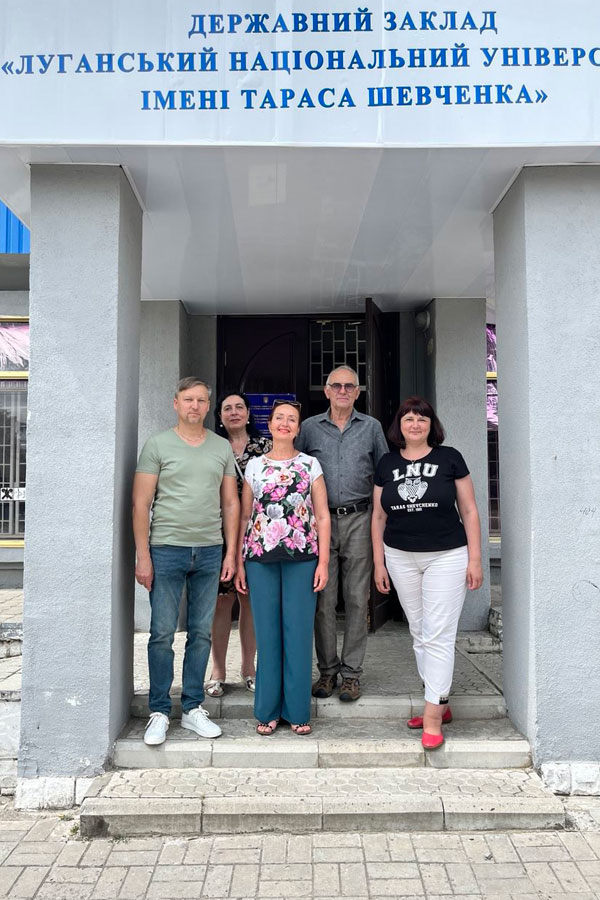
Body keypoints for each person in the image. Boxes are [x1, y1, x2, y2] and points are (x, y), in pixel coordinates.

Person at [371, 396, 483, 750]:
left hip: (447, 555)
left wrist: (475, 559)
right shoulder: (387, 463)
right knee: (419, 632)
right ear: (399, 426)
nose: (415, 424)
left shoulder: (450, 458)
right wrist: (379, 562)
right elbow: (378, 516)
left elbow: (469, 509)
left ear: (431, 425)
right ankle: (439, 700)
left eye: (422, 418)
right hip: (400, 555)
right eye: (408, 418)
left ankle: (432, 716)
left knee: (438, 635)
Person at [133, 377, 240, 746]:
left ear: (208, 406)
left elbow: (230, 503)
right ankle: (160, 711)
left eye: (201, 400)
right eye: (188, 399)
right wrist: (143, 556)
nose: (195, 406)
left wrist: (230, 552)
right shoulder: (157, 444)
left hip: (209, 551)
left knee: (201, 633)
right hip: (166, 549)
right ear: (176, 403)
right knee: (162, 633)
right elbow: (141, 503)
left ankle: (193, 707)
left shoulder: (220, 446)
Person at [235, 400, 330, 736]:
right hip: (259, 557)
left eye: (291, 419)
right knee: (268, 634)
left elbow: (322, 515)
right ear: (270, 424)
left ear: (298, 427)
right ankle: (267, 711)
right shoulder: (254, 466)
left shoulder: (310, 465)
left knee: (298, 633)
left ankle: (297, 711)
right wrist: (239, 562)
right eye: (279, 418)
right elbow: (245, 517)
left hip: (302, 557)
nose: (285, 423)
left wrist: (323, 562)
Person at [295, 366, 388, 701]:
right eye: (337, 386)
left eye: (350, 386)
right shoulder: (309, 428)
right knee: (323, 599)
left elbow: (384, 474)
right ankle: (327, 672)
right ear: (327, 391)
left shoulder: (372, 427)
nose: (343, 391)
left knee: (356, 598)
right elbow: (296, 468)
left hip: (360, 518)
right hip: (319, 523)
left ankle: (351, 674)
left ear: (358, 392)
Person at [206, 392, 272, 698]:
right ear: (219, 416)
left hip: (258, 532)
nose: (234, 412)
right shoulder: (211, 446)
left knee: (249, 600)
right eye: (227, 408)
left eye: (239, 407)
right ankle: (217, 671)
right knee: (222, 601)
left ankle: (249, 668)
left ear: (248, 413)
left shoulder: (266, 447)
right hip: (217, 531)